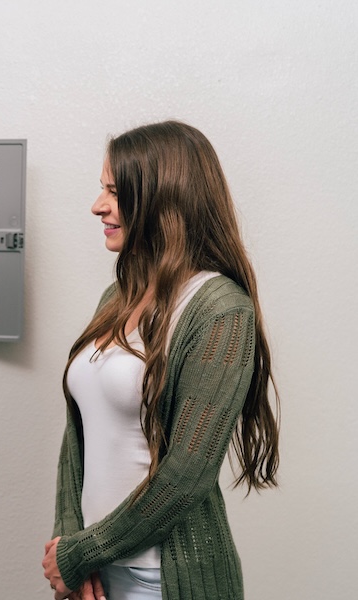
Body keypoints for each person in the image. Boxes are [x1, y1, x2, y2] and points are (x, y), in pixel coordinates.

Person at [41, 121, 280, 600]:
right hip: (95, 571)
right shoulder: (119, 295)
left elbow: (186, 477)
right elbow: (78, 436)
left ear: (162, 197)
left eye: (115, 192)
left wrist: (81, 553)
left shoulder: (220, 310)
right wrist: (70, 546)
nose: (98, 205)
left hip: (162, 582)